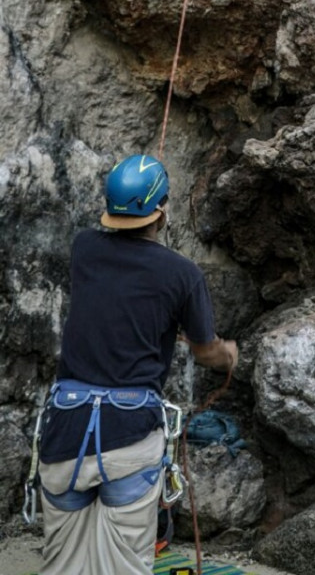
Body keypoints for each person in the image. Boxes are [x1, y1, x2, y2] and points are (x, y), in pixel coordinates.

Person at [38, 154, 238, 575]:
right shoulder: (183, 275)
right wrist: (227, 353)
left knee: (63, 565)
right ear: (161, 211)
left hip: (66, 432)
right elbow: (205, 353)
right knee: (126, 565)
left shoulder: (84, 249)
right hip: (129, 435)